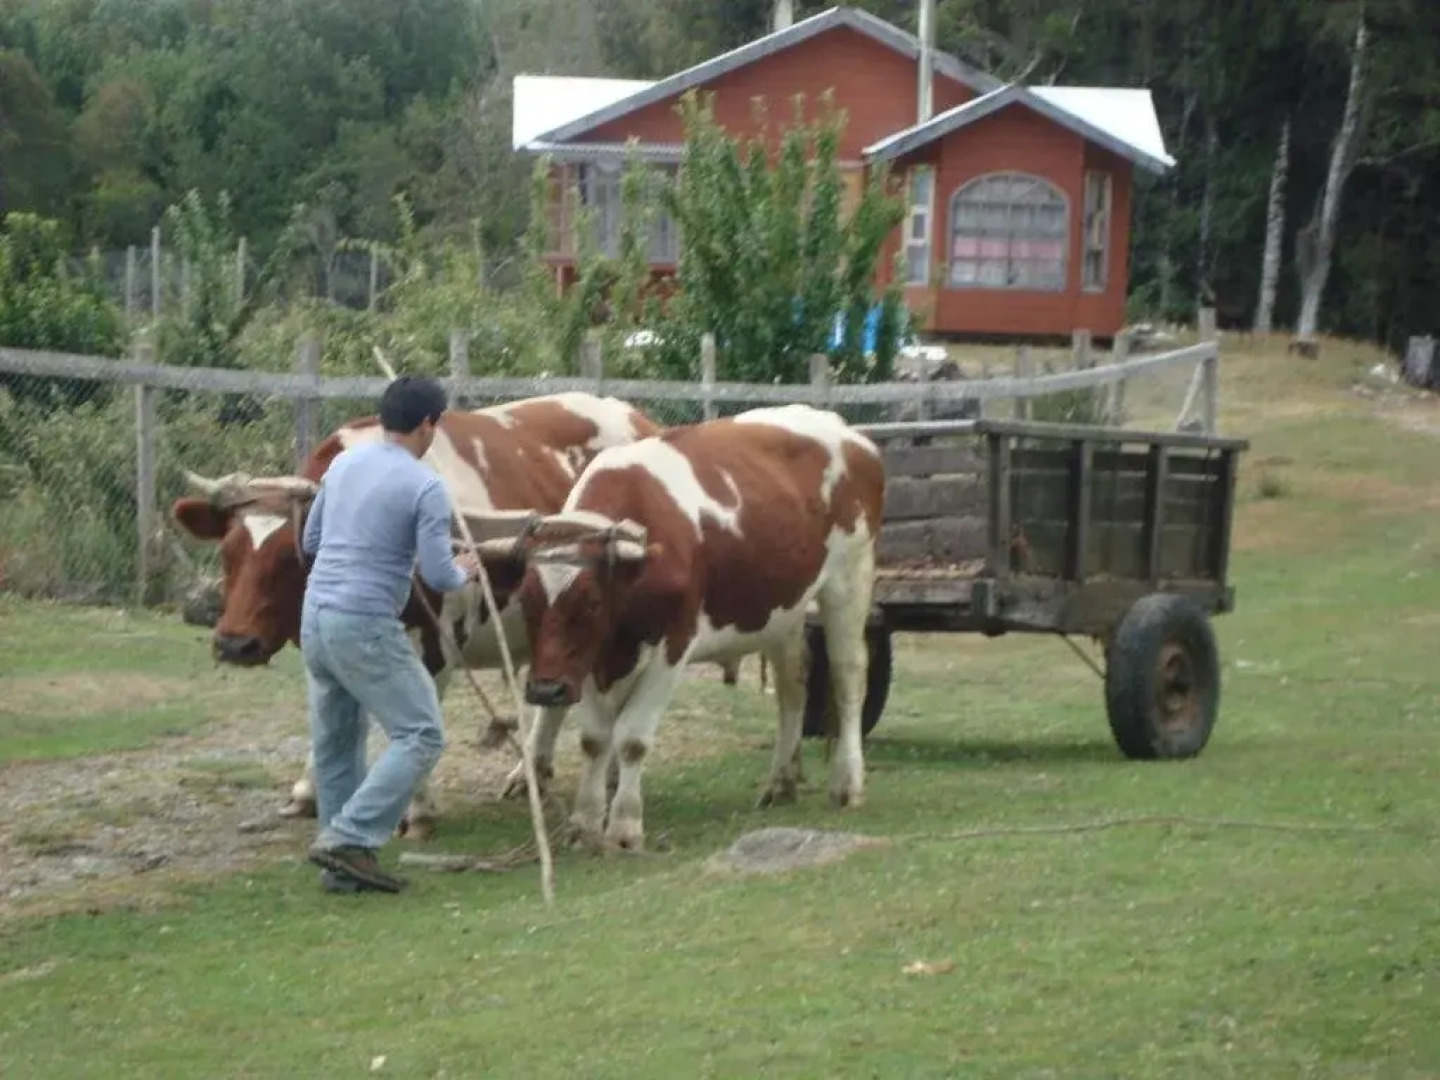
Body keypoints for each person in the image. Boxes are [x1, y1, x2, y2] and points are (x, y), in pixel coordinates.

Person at [298, 375, 481, 895]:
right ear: (428, 424)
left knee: (336, 743)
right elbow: (442, 576)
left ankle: (345, 869)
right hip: (365, 622)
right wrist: (467, 565)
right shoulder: (425, 485)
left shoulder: (342, 464)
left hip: (316, 618)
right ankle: (350, 836)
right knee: (422, 732)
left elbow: (312, 539)